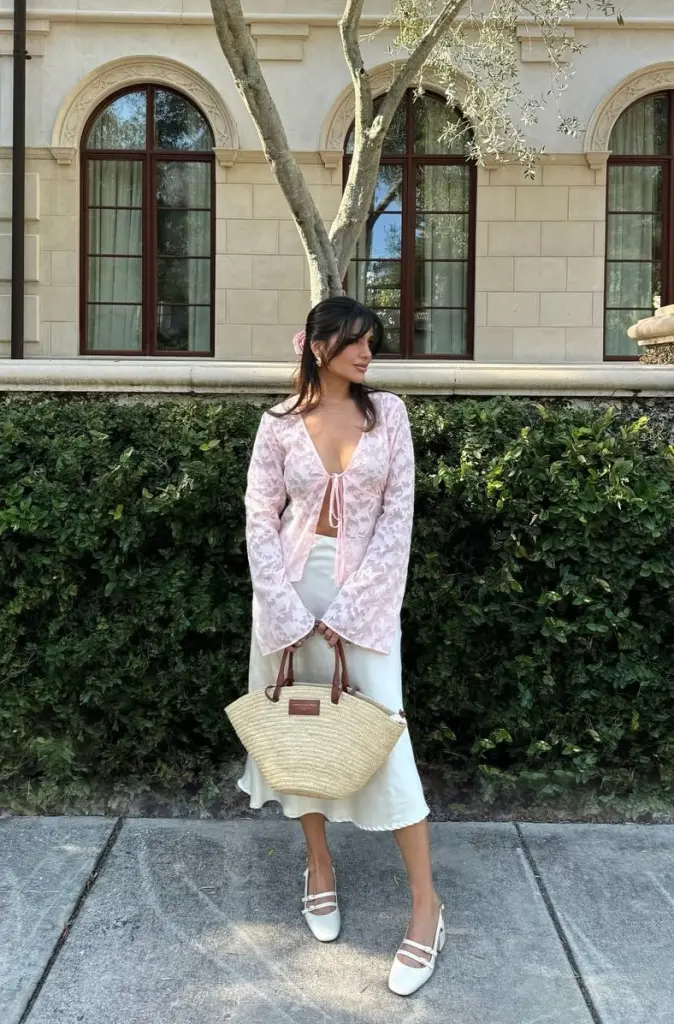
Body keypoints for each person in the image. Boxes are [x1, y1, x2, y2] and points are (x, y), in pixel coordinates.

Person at [237, 295, 444, 996]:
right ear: (318, 344)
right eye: (355, 341)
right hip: (289, 603)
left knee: (389, 743)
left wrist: (353, 611)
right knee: (300, 736)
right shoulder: (278, 424)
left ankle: (427, 905)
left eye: (371, 342)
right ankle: (318, 865)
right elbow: (259, 518)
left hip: (367, 606)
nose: (366, 353)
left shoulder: (390, 416)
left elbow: (398, 519)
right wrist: (287, 612)